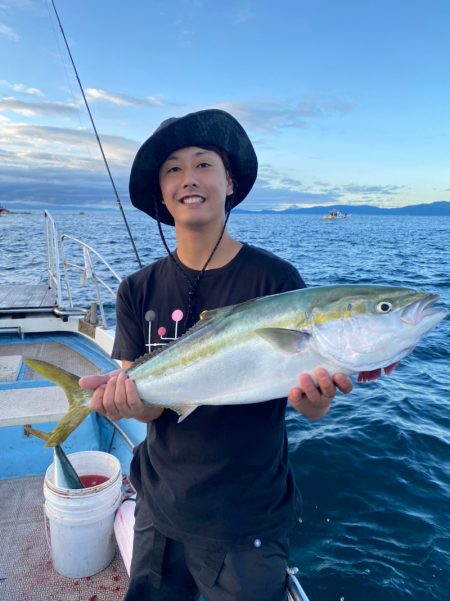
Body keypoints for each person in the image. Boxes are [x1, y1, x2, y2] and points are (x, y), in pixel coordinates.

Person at [80, 109, 353, 601]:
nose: (189, 179)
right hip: (159, 509)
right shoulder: (136, 290)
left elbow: (310, 402)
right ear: (162, 194)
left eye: (204, 164)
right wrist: (126, 401)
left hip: (247, 520)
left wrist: (316, 402)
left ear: (230, 183)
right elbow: (149, 403)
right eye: (173, 169)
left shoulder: (276, 283)